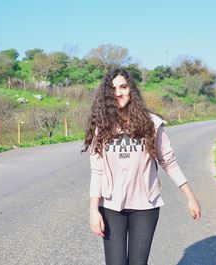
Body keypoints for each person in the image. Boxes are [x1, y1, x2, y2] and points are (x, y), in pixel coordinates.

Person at [82, 68, 201, 265]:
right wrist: (93, 210)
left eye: (123, 87)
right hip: (111, 206)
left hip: (145, 206)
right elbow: (97, 171)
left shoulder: (151, 123)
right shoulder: (102, 126)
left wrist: (191, 197)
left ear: (131, 90)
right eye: (113, 89)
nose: (119, 93)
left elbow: (168, 162)